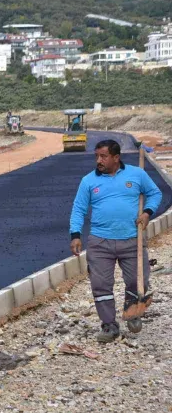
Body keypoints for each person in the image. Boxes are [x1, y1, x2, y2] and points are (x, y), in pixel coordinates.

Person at [69, 139, 162, 342]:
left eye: (103, 156)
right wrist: (75, 234)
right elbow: (78, 209)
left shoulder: (136, 175)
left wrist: (147, 212)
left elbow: (155, 193)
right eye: (96, 156)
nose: (98, 161)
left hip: (131, 240)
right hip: (100, 242)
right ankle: (109, 325)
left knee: (138, 280)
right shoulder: (88, 181)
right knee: (101, 285)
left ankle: (132, 310)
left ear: (116, 157)